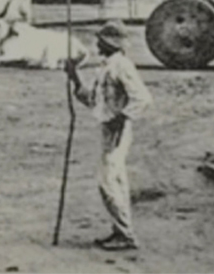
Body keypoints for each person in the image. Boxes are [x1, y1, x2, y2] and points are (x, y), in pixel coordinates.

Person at [65, 20, 153, 251]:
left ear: (109, 43)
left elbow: (143, 99)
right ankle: (120, 229)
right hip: (109, 128)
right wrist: (75, 77)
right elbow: (94, 101)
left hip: (117, 130)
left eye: (100, 41)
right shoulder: (106, 66)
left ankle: (126, 235)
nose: (97, 45)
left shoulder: (122, 66)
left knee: (107, 182)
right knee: (116, 181)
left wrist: (121, 119)